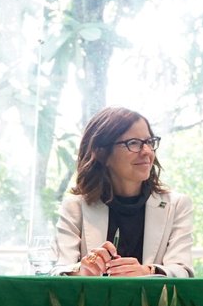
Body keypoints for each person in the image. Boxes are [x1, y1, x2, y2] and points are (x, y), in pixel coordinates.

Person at [54, 107, 194, 277]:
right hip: (93, 296)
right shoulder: (75, 206)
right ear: (101, 153)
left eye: (149, 142)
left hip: (152, 296)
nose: (147, 151)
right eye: (134, 143)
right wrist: (82, 270)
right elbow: (60, 270)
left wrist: (147, 271)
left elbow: (183, 271)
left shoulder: (177, 205)